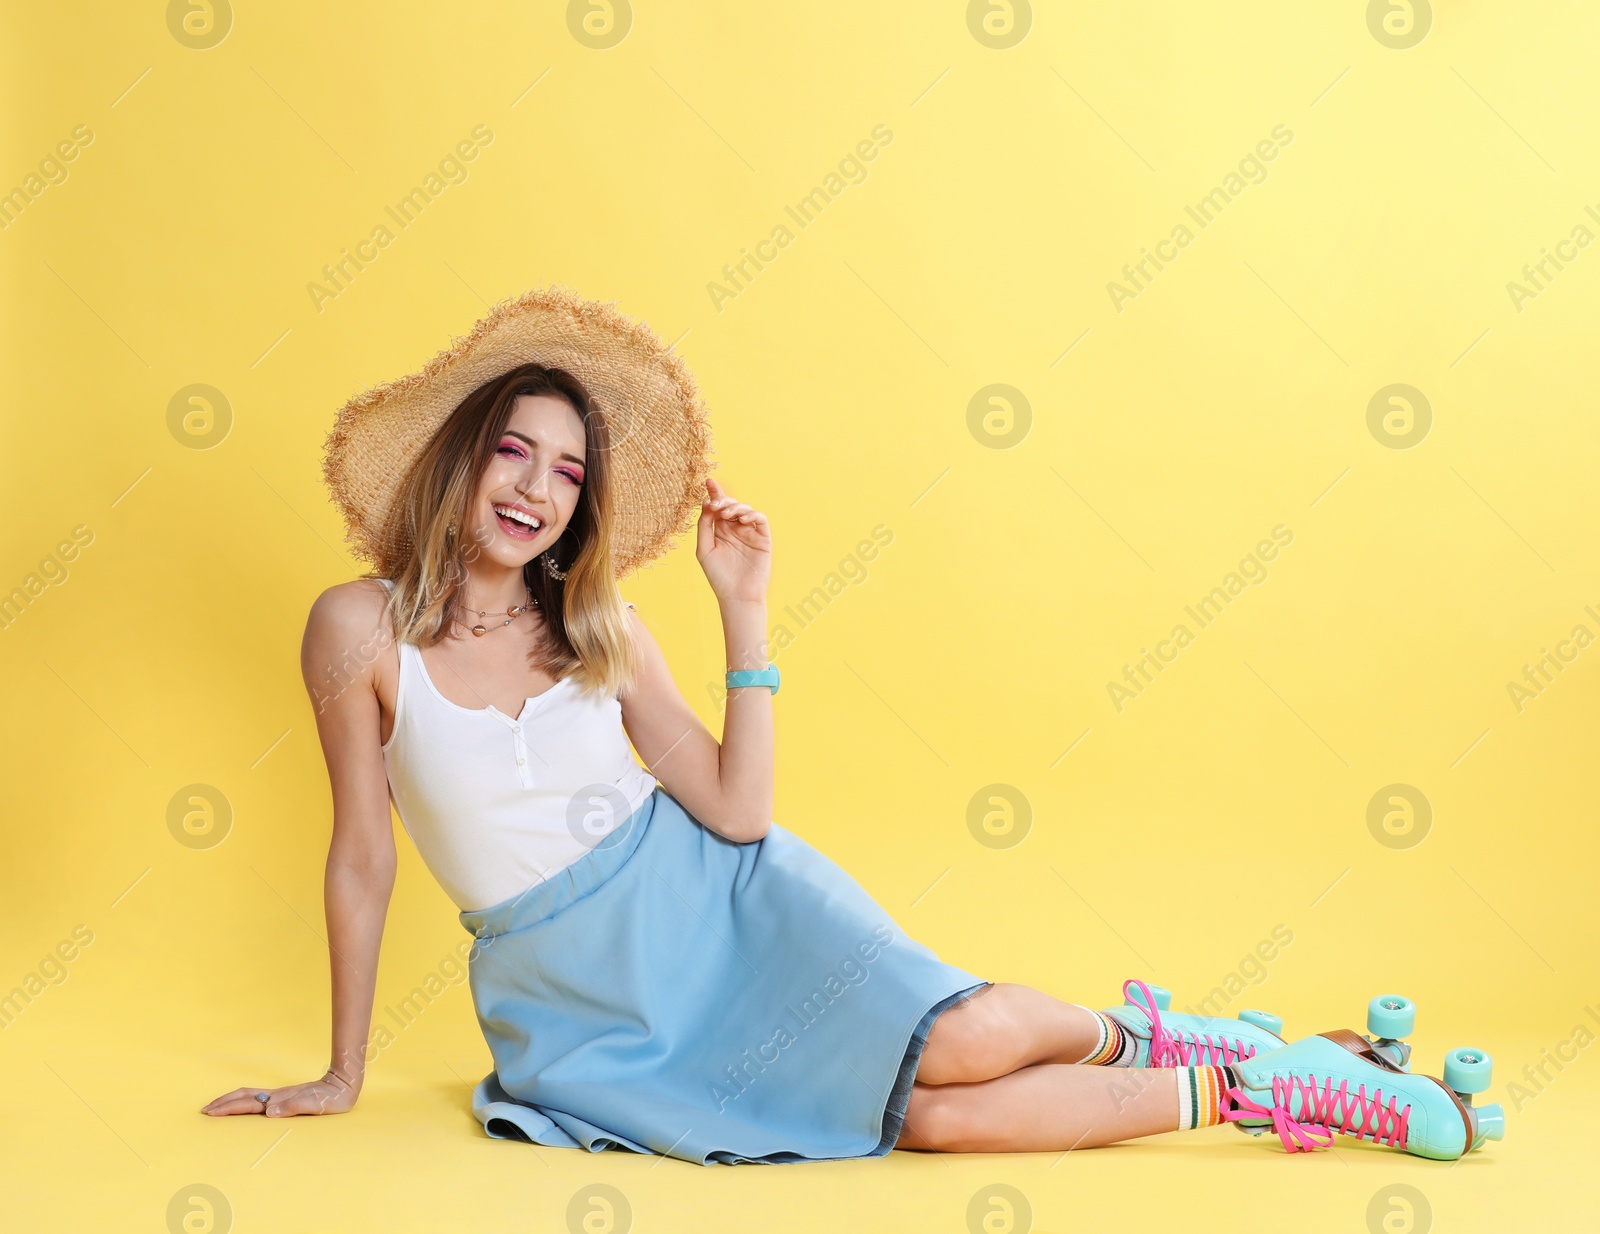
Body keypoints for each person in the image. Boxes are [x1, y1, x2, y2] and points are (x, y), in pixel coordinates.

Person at [201, 288, 1502, 1164]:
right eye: (515, 453)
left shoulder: (605, 628)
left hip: (722, 899)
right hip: (582, 994)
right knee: (926, 1120)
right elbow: (364, 855)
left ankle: (1205, 1047)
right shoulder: (354, 631)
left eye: (570, 470)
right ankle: (1240, 1077)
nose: (540, 489)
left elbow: (736, 808)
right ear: (462, 454)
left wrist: (745, 614)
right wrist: (339, 1068)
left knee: (964, 1039)